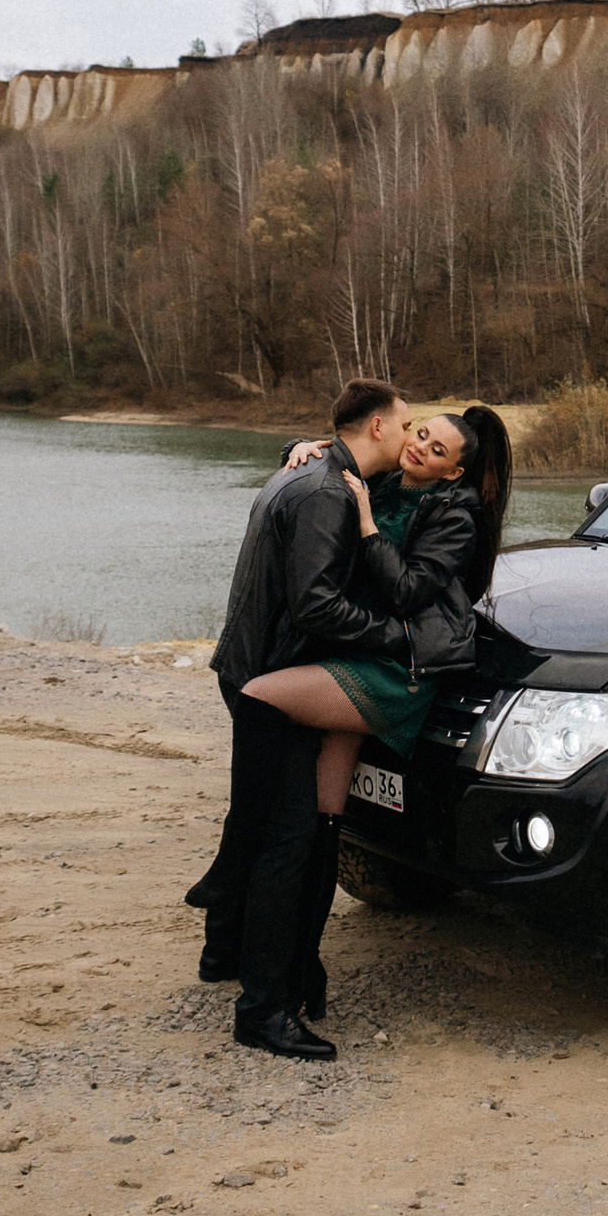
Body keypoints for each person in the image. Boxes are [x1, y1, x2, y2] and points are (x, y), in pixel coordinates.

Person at [188, 378, 414, 1061]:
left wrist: (297, 442)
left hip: (250, 669)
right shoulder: (325, 493)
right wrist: (399, 637)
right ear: (376, 426)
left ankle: (223, 952)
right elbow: (316, 605)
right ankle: (264, 1011)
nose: (410, 436)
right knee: (287, 839)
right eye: (405, 424)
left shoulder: (313, 471)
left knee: (257, 817)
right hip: (272, 681)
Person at [244, 405, 512, 810]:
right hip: (359, 644)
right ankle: (310, 849)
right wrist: (301, 448)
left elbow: (406, 591)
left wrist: (368, 527)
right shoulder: (383, 481)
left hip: (396, 669)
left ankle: (250, 825)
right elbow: (346, 454)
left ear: (452, 472)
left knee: (257, 696)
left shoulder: (454, 520)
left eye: (437, 451)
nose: (420, 448)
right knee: (329, 787)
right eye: (421, 434)